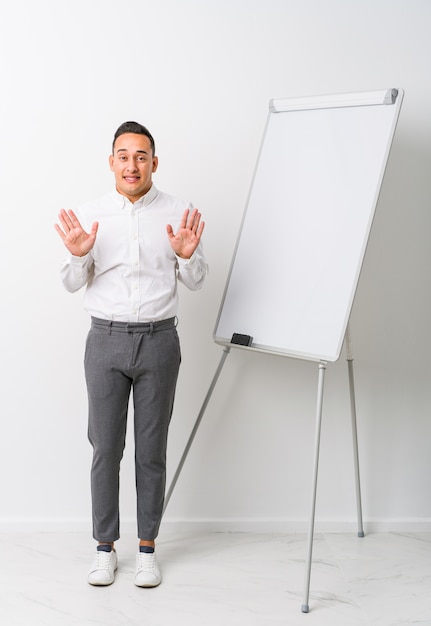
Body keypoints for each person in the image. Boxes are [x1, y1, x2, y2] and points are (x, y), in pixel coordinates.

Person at [55, 121, 208, 587]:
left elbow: (198, 280)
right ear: (111, 162)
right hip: (104, 341)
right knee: (105, 448)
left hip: (160, 341)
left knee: (151, 451)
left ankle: (146, 549)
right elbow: (69, 282)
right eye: (123, 156)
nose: (132, 165)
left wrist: (185, 255)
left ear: (154, 163)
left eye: (141, 156)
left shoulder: (179, 212)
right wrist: (80, 255)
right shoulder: (91, 213)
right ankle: (105, 549)